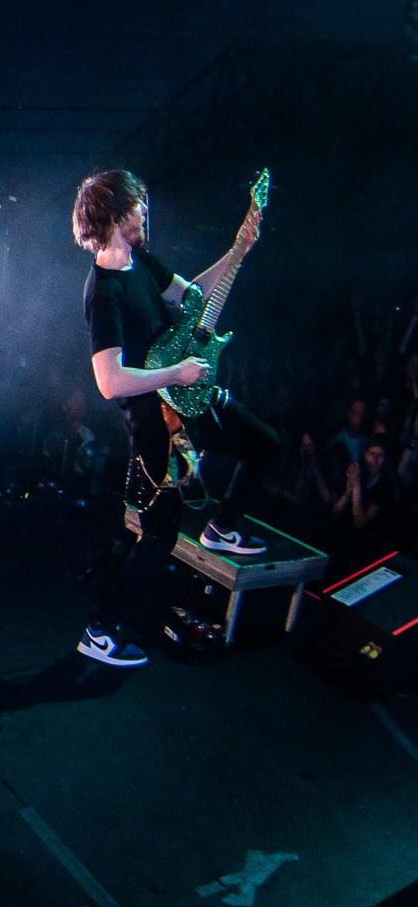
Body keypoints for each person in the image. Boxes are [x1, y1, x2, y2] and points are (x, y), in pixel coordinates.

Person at [70, 169, 278, 667]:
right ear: (117, 215)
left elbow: (194, 299)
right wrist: (174, 375)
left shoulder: (141, 260)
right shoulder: (104, 293)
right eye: (139, 206)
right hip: (153, 420)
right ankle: (99, 632)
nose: (146, 212)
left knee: (265, 443)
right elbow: (109, 381)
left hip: (191, 394)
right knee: (159, 533)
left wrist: (237, 252)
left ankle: (222, 527)